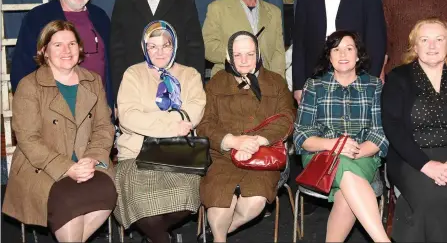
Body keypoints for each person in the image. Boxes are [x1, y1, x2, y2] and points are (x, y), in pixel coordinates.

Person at [2, 20, 117, 242]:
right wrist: (68, 168)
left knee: (108, 193)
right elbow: (28, 139)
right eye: (58, 45)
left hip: (88, 164)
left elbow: (104, 126)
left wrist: (91, 159)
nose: (67, 50)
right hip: (43, 169)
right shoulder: (29, 85)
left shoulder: (93, 81)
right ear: (44, 51)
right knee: (68, 201)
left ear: (80, 48)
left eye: (72, 44)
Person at [382, 18, 447, 242]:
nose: (432, 46)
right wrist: (426, 165)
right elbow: (394, 129)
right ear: (415, 46)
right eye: (425, 40)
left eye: (439, 39)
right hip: (411, 158)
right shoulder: (398, 77)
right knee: (432, 202)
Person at [113, 20, 206, 243]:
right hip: (136, 153)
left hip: (181, 154)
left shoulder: (190, 74)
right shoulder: (133, 74)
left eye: (165, 45)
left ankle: (155, 237)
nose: (159, 52)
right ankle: (162, 238)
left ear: (174, 46)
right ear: (144, 48)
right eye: (152, 46)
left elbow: (195, 110)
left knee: (185, 196)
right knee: (141, 201)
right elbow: (127, 117)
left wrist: (151, 121)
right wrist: (173, 125)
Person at [197, 31, 294, 242]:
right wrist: (233, 141)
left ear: (258, 54)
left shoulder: (276, 82)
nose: (244, 60)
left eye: (250, 54)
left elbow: (287, 119)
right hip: (223, 156)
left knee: (254, 202)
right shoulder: (216, 83)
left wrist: (257, 141)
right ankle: (218, 239)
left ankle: (214, 233)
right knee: (220, 202)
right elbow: (204, 124)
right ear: (229, 56)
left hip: (263, 156)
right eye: (238, 55)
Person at [294, 30, 390, 243]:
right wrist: (336, 146)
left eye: (349, 48)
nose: (343, 54)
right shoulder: (314, 85)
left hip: (363, 154)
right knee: (344, 168)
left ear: (358, 55)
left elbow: (380, 133)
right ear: (329, 56)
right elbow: (301, 135)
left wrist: (353, 151)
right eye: (336, 50)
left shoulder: (374, 86)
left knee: (346, 194)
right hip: (321, 154)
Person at [292, 0, 386, 104]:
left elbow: (376, 42)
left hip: (357, 79)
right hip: (315, 80)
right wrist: (298, 85)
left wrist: (369, 82)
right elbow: (299, 45)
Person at [110, 0, 205, 103]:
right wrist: (119, 98)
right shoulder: (123, 3)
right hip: (136, 93)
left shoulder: (185, 1)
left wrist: (195, 92)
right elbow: (116, 55)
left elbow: (195, 51)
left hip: (177, 91)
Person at [10, 0, 113, 107]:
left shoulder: (100, 16)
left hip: (99, 108)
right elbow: (22, 67)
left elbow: (112, 64)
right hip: (55, 111)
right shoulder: (38, 18)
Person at [202, 0, 286, 78]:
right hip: (228, 82)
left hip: (265, 84)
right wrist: (236, 55)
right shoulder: (217, 8)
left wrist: (278, 84)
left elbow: (278, 54)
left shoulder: (274, 12)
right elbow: (207, 46)